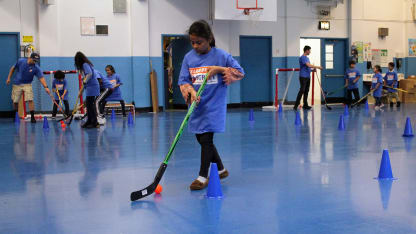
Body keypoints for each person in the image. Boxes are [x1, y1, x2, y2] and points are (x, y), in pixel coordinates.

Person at [178, 20, 244, 190]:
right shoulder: (188, 58)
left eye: (199, 42)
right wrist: (190, 91)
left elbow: (240, 72)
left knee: (206, 139)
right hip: (197, 106)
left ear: (209, 39)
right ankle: (221, 169)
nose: (195, 46)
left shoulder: (221, 56)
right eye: (192, 42)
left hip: (214, 106)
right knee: (201, 138)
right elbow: (184, 81)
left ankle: (202, 176)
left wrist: (219, 69)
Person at [6, 53, 51, 123]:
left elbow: (41, 78)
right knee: (15, 101)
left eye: (36, 61)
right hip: (17, 83)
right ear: (30, 58)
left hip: (27, 84)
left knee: (30, 99)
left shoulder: (36, 68)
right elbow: (13, 68)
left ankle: (32, 117)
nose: (35, 62)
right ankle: (15, 114)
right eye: (34, 60)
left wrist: (46, 87)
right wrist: (9, 78)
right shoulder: (21, 61)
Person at [74, 52, 100, 128]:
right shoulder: (83, 66)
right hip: (89, 87)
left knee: (90, 105)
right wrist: (81, 90)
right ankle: (89, 121)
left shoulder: (85, 64)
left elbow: (89, 74)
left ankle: (94, 122)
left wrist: (84, 82)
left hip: (93, 87)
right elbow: (85, 78)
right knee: (88, 106)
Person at [294, 46, 322, 111]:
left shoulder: (307, 58)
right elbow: (308, 65)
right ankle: (296, 105)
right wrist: (317, 67)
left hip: (307, 76)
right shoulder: (303, 57)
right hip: (303, 76)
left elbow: (308, 67)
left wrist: (313, 70)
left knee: (306, 91)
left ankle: (305, 105)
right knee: (302, 90)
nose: (310, 52)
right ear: (306, 50)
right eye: (309, 50)